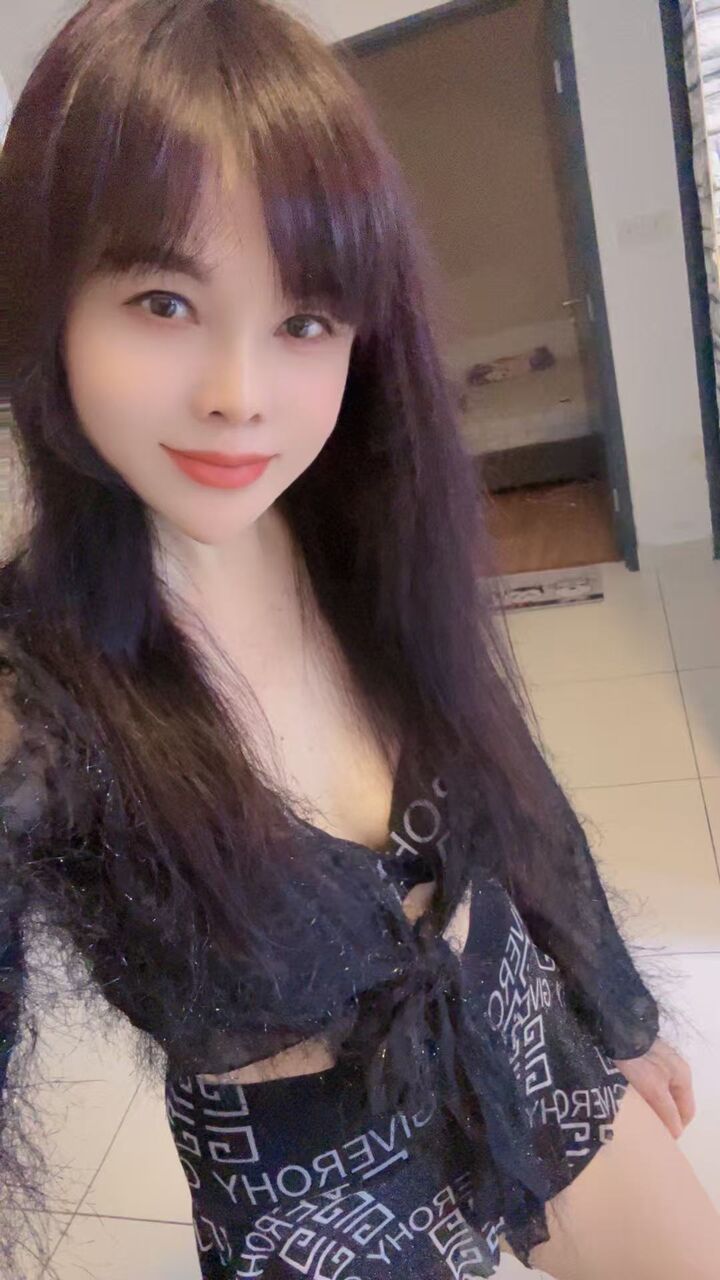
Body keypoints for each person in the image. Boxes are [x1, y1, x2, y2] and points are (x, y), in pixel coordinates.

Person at [0, 2, 717, 1278]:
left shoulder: (356, 533)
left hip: (510, 1020)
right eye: (164, 301)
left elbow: (506, 774)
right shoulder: (32, 704)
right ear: (44, 299)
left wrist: (608, 1008)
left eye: (305, 321)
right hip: (314, 1192)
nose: (240, 395)